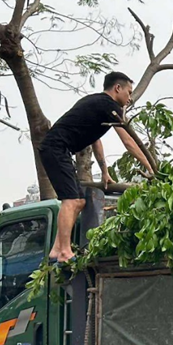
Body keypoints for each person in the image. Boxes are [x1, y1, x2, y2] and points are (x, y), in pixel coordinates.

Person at [38, 71, 153, 262]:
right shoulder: (109, 105)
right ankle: (65, 252)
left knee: (80, 202)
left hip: (58, 150)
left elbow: (96, 140)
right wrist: (151, 168)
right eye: (129, 92)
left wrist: (105, 171)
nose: (130, 98)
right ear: (117, 88)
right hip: (56, 149)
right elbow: (129, 143)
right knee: (71, 200)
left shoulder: (97, 104)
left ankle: (56, 249)